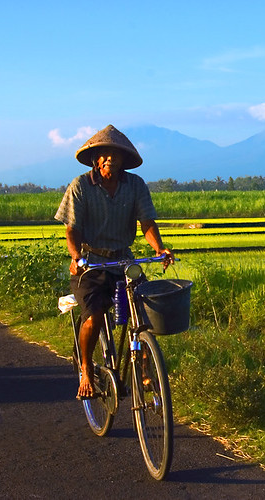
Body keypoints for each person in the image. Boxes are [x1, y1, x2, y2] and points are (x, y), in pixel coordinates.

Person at [55, 124, 174, 399]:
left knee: (143, 314)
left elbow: (147, 223)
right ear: (96, 159)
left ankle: (144, 368)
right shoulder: (81, 186)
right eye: (104, 154)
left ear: (123, 161)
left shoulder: (135, 185)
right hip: (91, 263)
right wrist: (77, 257)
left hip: (123, 261)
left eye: (114, 155)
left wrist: (159, 249)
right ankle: (85, 368)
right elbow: (71, 230)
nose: (109, 159)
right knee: (94, 316)